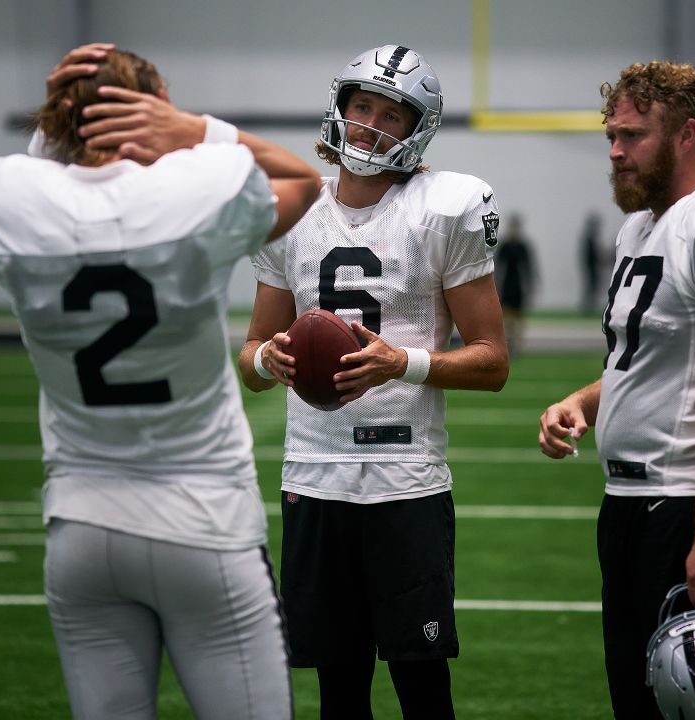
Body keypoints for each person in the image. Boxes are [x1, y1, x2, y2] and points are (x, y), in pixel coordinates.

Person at [0, 44, 320, 720]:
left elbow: (40, 186)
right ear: (153, 109)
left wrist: (61, 125)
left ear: (62, 119)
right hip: (204, 520)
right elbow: (302, 181)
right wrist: (195, 130)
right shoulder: (198, 186)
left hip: (82, 526)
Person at [242, 45, 507, 719]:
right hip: (314, 473)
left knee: (421, 688)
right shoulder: (293, 212)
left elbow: (492, 360)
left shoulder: (444, 208)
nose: (370, 125)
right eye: (362, 106)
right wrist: (265, 361)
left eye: (392, 114)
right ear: (339, 107)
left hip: (404, 474)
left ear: (417, 129)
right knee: (338, 692)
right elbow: (250, 359)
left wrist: (403, 363)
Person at [536, 61, 695, 719]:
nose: (616, 151)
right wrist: (583, 403)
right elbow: (644, 361)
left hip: (687, 504)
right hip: (628, 505)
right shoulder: (638, 228)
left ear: (686, 134)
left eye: (633, 135)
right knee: (637, 703)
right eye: (611, 136)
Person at [494, 214, 537, 355]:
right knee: (507, 319)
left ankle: (516, 345)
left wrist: (531, 287)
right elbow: (496, 268)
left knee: (518, 319)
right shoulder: (504, 246)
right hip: (507, 285)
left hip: (518, 286)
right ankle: (508, 344)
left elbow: (529, 269)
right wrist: (495, 287)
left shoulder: (523, 246)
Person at [579, 211, 603, 314]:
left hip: (591, 266)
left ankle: (589, 306)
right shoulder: (589, 239)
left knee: (592, 287)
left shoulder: (589, 238)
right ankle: (588, 307)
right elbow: (591, 254)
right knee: (591, 286)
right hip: (591, 267)